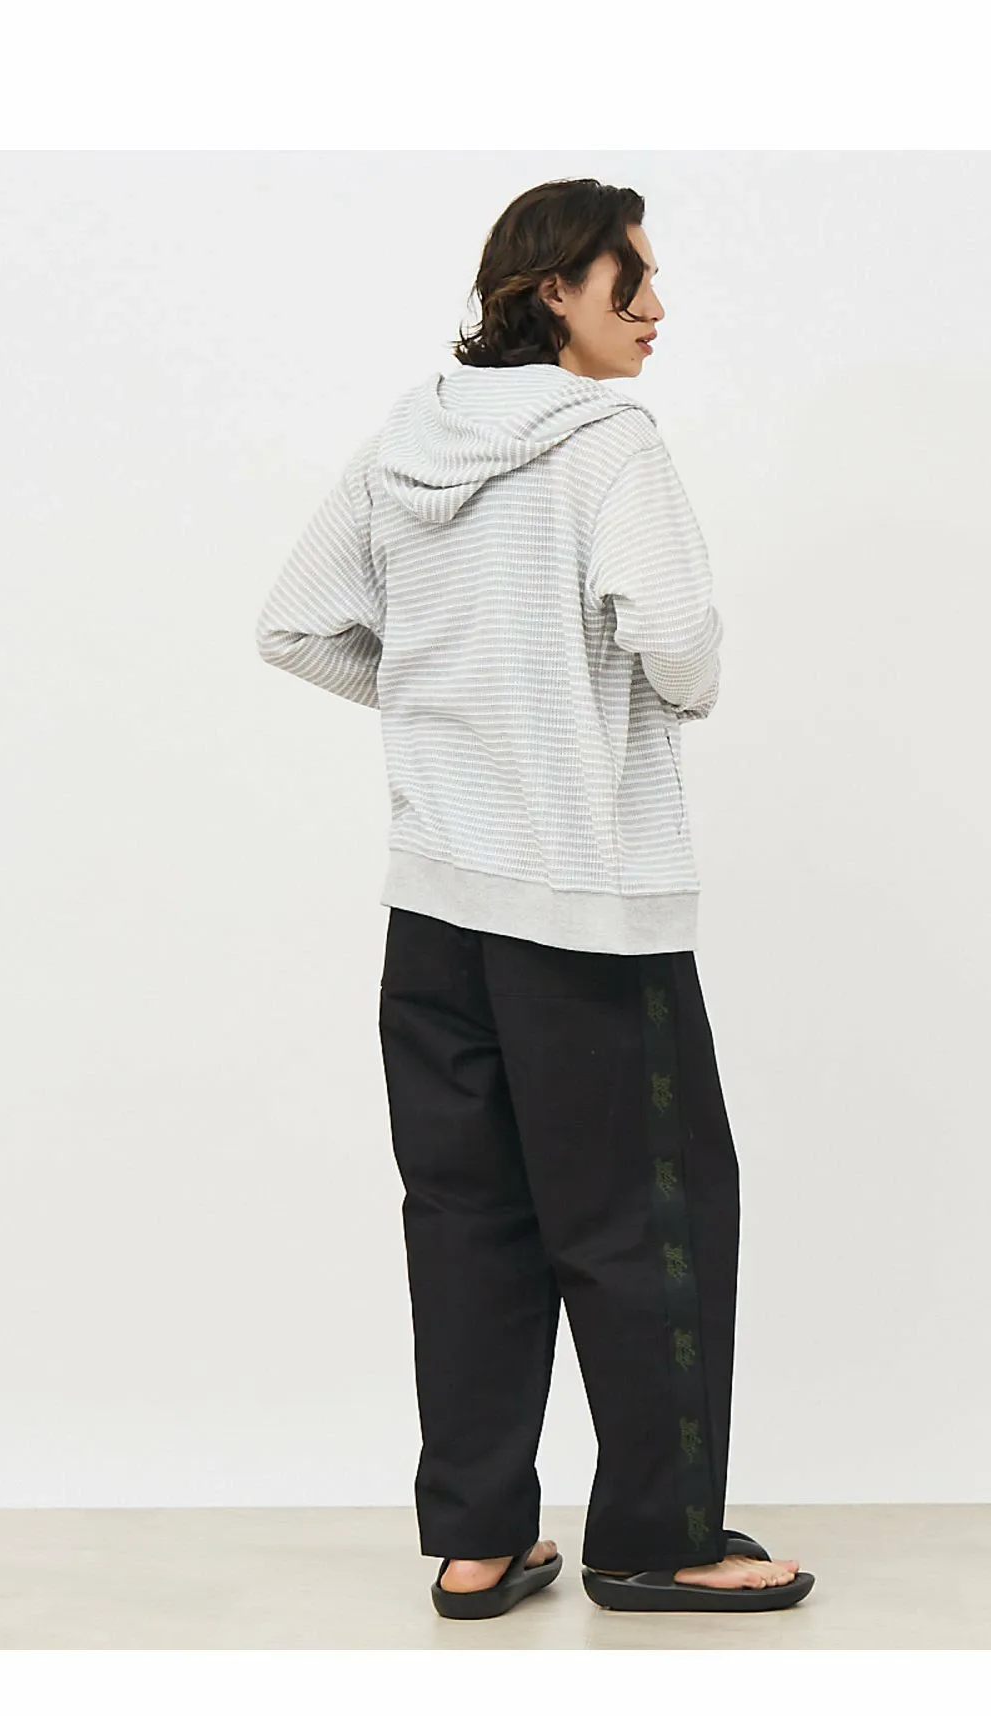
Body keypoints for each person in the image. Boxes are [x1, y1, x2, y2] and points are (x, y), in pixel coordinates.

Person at [255, 178, 812, 1619]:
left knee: (467, 1221)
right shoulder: (609, 444)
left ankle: (478, 1540)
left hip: (436, 914)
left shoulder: (406, 440)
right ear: (554, 287)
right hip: (586, 915)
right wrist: (620, 698)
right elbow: (677, 641)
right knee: (648, 1222)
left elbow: (298, 624)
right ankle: (658, 1537)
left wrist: (448, 706)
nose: (656, 308)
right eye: (633, 279)